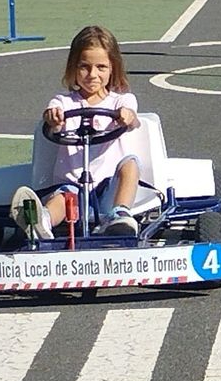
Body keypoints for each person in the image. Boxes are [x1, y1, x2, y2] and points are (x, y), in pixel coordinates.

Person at [11, 26, 142, 239]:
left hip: (109, 186)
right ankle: (41, 222)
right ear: (74, 67)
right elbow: (52, 115)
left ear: (112, 68)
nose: (93, 75)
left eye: (101, 67)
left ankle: (121, 215)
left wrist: (127, 116)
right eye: (84, 67)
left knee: (131, 163)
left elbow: (132, 117)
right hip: (71, 184)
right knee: (62, 199)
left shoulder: (121, 101)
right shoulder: (63, 102)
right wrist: (53, 117)